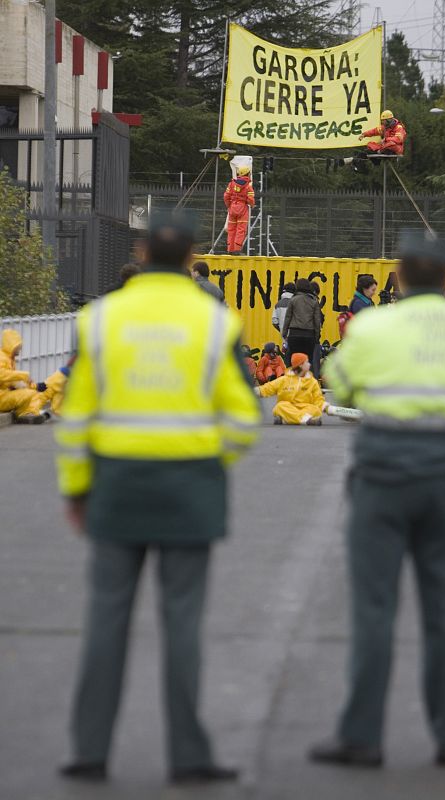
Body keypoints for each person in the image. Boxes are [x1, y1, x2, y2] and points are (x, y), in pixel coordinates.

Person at [55, 211, 260, 785]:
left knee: (106, 620)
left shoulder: (99, 318)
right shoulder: (216, 323)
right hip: (190, 486)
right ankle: (189, 755)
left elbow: (77, 416)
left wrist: (76, 488)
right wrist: (213, 462)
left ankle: (90, 752)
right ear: (193, 257)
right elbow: (244, 418)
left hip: (117, 485)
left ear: (141, 254)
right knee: (183, 623)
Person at [312, 228, 445, 769]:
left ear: (398, 275)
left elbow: (337, 384)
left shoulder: (373, 326)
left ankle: (363, 736)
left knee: (374, 609)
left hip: (384, 473)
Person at [255, 352, 327, 426]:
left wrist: (329, 409)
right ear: (301, 365)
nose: (309, 364)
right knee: (280, 406)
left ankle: (286, 420)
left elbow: (319, 399)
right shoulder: (284, 380)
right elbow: (267, 388)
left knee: (316, 410)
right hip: (288, 407)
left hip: (305, 407)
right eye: (307, 362)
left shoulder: (312, 381)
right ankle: (305, 420)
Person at [0, 329, 50, 424]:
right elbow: (2, 375)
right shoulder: (2, 357)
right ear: (11, 345)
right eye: (18, 346)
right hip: (1, 397)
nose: (20, 349)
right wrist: (23, 375)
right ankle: (28, 413)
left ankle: (28, 413)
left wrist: (36, 386)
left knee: (33, 393)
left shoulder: (9, 359)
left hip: (3, 396)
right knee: (31, 394)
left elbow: (15, 383)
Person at [282, 278, 322, 373]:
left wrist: (284, 333)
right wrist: (316, 336)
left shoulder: (293, 300)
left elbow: (288, 317)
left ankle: (293, 383)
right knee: (307, 362)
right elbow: (317, 320)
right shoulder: (314, 301)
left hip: (294, 335)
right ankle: (305, 384)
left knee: (294, 361)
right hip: (309, 335)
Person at [224, 165, 255, 255]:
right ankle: (237, 250)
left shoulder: (231, 183)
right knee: (241, 230)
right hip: (242, 209)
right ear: (247, 174)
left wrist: (229, 206)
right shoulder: (248, 186)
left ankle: (230, 249)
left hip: (232, 208)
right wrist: (252, 205)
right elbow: (251, 199)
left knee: (231, 229)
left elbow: (226, 196)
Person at [272, 282, 296, 350]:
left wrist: (282, 330)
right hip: (296, 335)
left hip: (285, 337)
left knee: (287, 356)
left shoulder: (278, 304)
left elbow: (274, 321)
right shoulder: (296, 302)